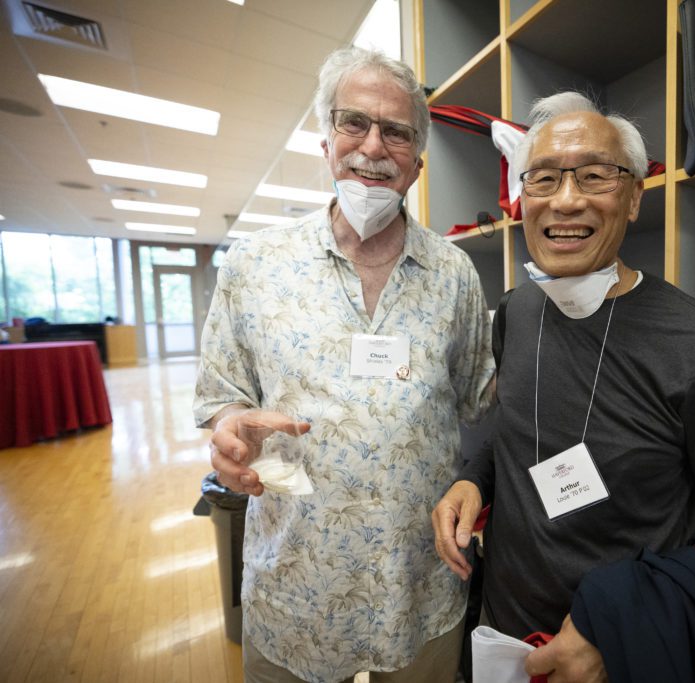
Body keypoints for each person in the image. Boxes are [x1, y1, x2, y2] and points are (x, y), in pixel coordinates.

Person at [432, 92, 695, 682]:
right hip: (505, 640)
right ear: (523, 199)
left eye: (595, 176)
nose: (566, 200)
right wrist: (473, 478)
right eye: (543, 178)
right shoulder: (515, 313)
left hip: (625, 652)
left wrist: (624, 624)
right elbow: (515, 427)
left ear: (633, 198)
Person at [194, 46, 495, 683]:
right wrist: (228, 428)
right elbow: (221, 393)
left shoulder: (456, 276)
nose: (373, 146)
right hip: (295, 586)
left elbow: (482, 406)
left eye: (396, 132)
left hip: (418, 588)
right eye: (353, 122)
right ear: (326, 140)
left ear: (417, 161)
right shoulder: (254, 266)